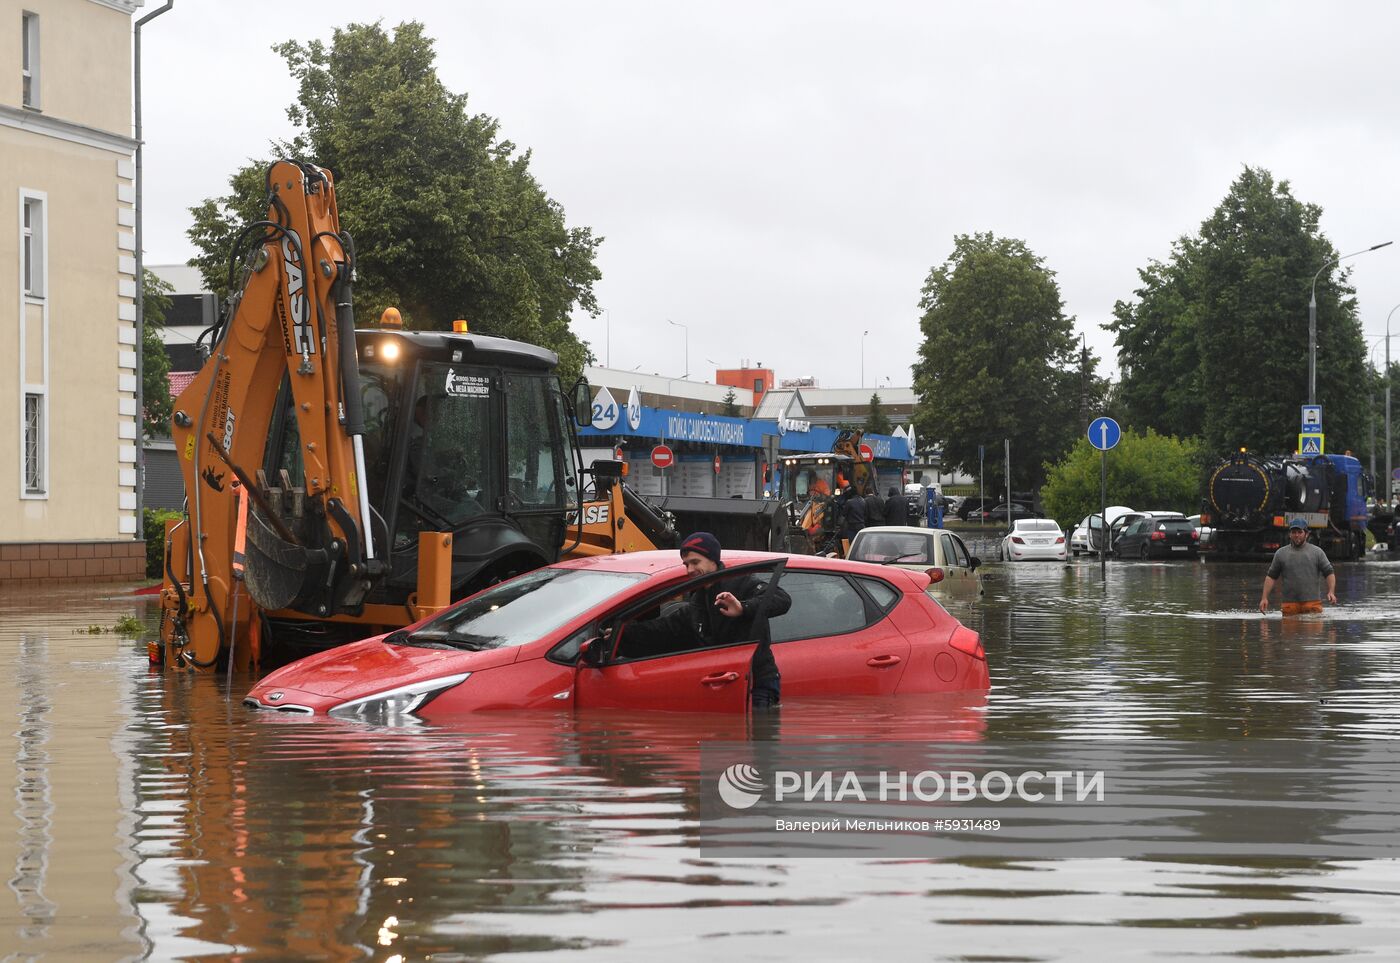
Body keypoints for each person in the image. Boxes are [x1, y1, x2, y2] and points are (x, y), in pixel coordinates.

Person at [618, 532, 792, 707]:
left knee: (757, 732)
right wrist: (622, 633)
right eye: (686, 564)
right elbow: (665, 629)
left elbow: (782, 599)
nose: (689, 570)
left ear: (713, 560)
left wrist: (743, 608)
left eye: (695, 562)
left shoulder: (741, 582)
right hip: (723, 683)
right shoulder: (698, 600)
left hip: (756, 683)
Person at [1259, 519, 1337, 615]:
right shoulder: (1281, 554)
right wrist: (1264, 598)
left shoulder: (1317, 552)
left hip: (1312, 604)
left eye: (1300, 532)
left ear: (1306, 534)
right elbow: (1271, 577)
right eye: (1294, 532)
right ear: (1289, 534)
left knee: (1314, 629)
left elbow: (1329, 572)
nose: (1296, 535)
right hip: (1289, 605)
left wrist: (1331, 592)